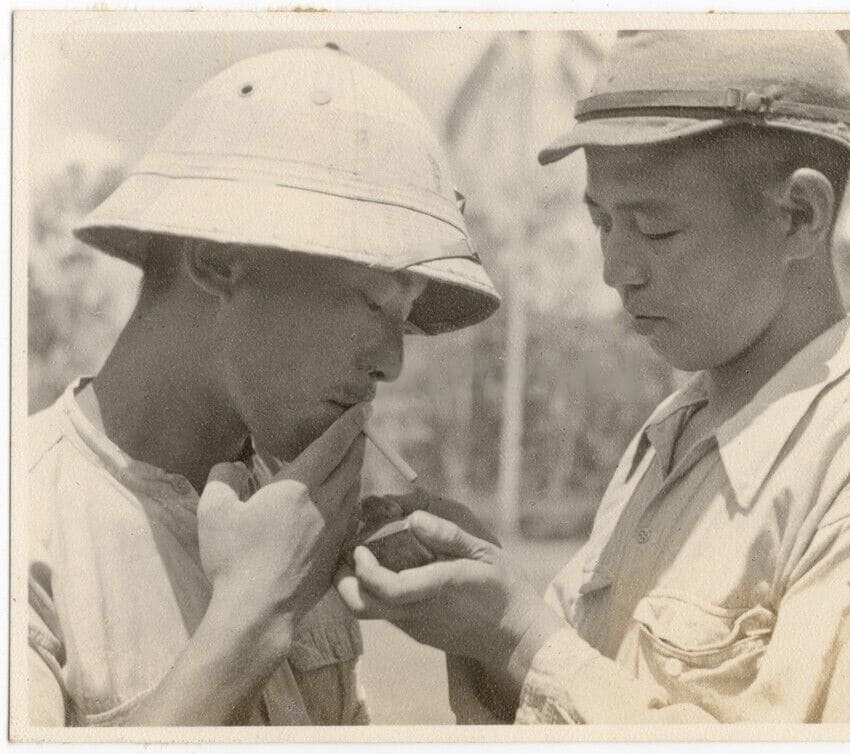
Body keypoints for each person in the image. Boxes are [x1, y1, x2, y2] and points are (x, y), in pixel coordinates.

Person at [337, 30, 850, 723]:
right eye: (604, 222)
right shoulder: (675, 435)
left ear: (799, 217)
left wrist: (515, 633)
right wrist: (485, 592)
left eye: (656, 230)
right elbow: (587, 683)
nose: (616, 271)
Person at [26, 45, 500, 726]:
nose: (392, 362)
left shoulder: (300, 520)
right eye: (371, 303)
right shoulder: (29, 523)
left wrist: (493, 648)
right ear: (219, 258)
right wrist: (253, 621)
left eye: (403, 321)